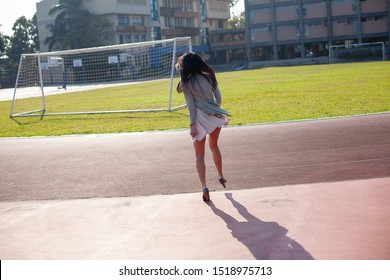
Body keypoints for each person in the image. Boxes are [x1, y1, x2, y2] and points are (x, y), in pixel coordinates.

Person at [175, 52, 230, 202]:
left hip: (198, 118)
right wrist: (214, 109)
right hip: (214, 115)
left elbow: (191, 106)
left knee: (199, 155)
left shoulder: (187, 82)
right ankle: (220, 175)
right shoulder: (208, 76)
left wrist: (192, 125)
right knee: (214, 146)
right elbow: (218, 97)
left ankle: (204, 187)